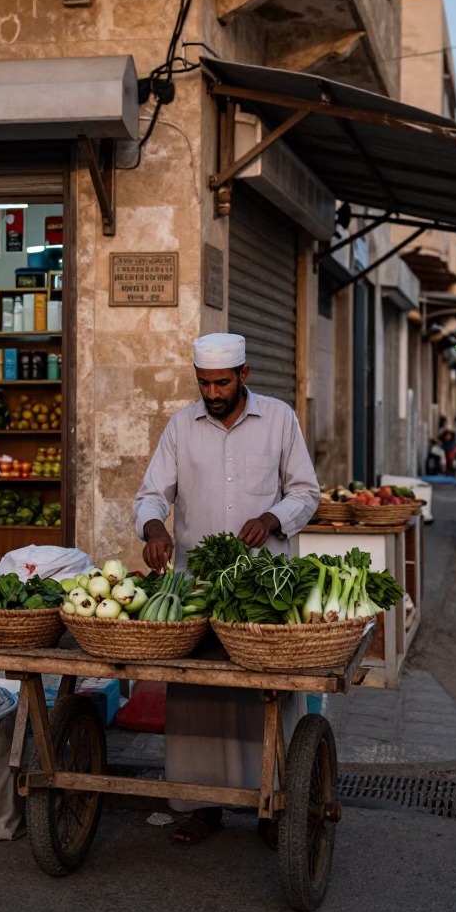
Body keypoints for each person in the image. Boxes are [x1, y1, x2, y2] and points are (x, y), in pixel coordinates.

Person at [132, 332, 320, 845]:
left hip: (264, 589)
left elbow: (307, 492)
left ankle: (273, 804)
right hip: (200, 586)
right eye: (204, 383)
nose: (212, 393)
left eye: (221, 382)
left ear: (244, 375)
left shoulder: (279, 418)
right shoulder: (180, 426)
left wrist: (273, 518)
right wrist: (154, 529)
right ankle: (200, 804)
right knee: (198, 692)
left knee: (265, 693)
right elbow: (151, 495)